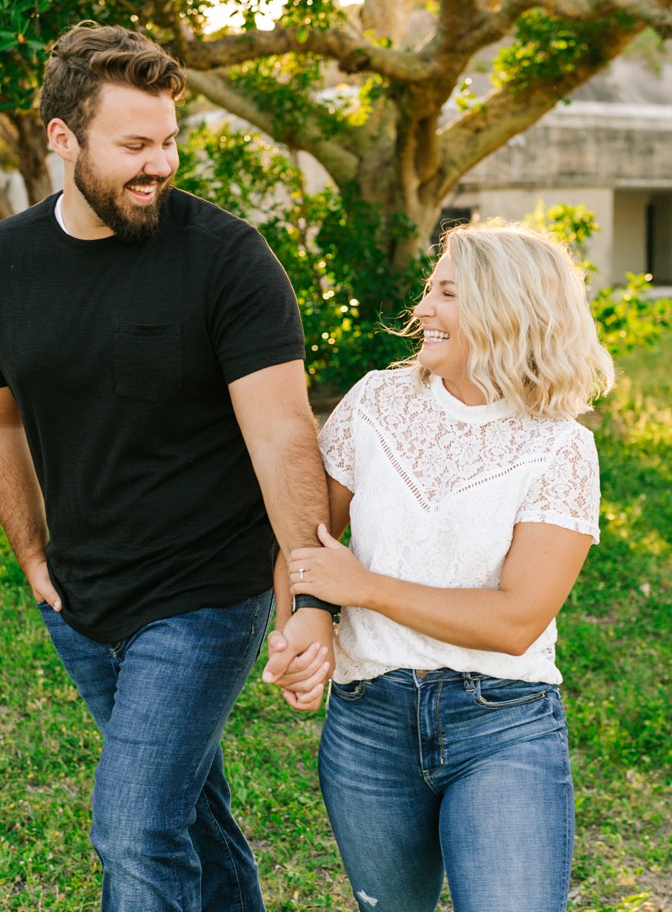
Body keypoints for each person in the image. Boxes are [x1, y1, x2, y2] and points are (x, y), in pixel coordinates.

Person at [0, 23, 333, 911]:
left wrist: (310, 596)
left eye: (168, 139)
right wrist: (32, 554)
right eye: (133, 144)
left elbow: (283, 433)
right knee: (187, 813)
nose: (159, 162)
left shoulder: (226, 257)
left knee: (132, 825)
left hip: (206, 591)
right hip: (81, 602)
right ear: (62, 137)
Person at [267, 224, 613, 913]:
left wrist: (363, 589)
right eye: (429, 289)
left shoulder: (561, 447)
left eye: (447, 293)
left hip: (503, 722)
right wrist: (303, 622)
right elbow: (306, 541)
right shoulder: (375, 400)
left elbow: (517, 620)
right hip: (368, 722)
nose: (422, 308)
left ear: (509, 310)